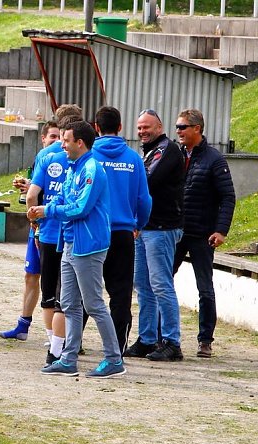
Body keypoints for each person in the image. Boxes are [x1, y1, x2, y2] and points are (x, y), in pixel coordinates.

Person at [28, 121, 125, 378]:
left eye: (66, 140)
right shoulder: (73, 168)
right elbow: (64, 199)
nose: (61, 145)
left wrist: (48, 210)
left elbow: (80, 208)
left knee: (94, 304)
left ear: (79, 143)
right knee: (69, 303)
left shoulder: (92, 169)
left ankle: (114, 359)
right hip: (70, 242)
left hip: (89, 245)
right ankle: (68, 359)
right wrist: (46, 206)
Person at [172, 108, 236, 358]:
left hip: (202, 234)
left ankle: (205, 339)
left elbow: (228, 197)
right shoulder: (174, 156)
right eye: (177, 127)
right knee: (162, 282)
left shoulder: (214, 159)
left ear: (197, 129)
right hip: (175, 231)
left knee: (204, 288)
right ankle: (160, 334)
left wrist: (221, 230)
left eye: (182, 127)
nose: (178, 131)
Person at [125, 108, 186, 361]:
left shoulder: (167, 150)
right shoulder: (148, 151)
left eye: (146, 127)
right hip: (145, 227)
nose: (142, 131)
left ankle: (172, 342)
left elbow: (147, 182)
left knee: (161, 284)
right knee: (143, 286)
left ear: (159, 127)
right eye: (139, 128)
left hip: (162, 228)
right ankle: (148, 339)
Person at [91, 106, 152, 355]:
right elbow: (145, 200)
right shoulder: (133, 158)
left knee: (86, 289)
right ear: (120, 127)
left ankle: (74, 343)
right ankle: (117, 346)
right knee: (121, 292)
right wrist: (139, 224)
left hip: (93, 232)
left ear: (96, 128)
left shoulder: (89, 156)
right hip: (123, 233)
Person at [26, 105, 83, 363]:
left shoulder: (47, 156)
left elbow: (31, 194)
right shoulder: (85, 159)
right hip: (74, 234)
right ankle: (72, 340)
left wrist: (34, 221)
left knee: (49, 291)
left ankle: (53, 342)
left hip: (48, 233)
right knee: (71, 293)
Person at [0, 120, 60, 340]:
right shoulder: (41, 160)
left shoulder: (61, 158)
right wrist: (28, 186)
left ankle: (56, 337)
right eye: (52, 136)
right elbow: (32, 194)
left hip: (47, 227)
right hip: (37, 226)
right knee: (30, 275)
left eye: (59, 136)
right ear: (43, 138)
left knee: (53, 282)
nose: (56, 140)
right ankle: (23, 325)